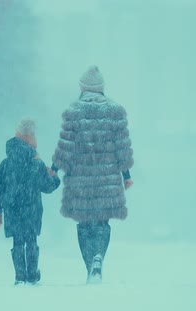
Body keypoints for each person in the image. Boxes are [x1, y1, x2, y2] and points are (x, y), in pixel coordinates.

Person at [51, 65, 134, 284]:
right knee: (102, 224)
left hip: (80, 179)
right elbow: (122, 147)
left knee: (84, 224)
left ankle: (90, 265)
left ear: (83, 87)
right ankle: (98, 258)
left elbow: (65, 146)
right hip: (106, 179)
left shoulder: (74, 111)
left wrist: (54, 168)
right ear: (101, 88)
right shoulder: (115, 111)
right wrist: (126, 175)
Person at [0, 118, 61, 285]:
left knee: (17, 240)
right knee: (31, 240)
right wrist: (55, 177)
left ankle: (19, 277)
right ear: (28, 136)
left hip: (12, 209)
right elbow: (47, 186)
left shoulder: (5, 164)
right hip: (31, 210)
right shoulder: (36, 164)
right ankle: (31, 275)